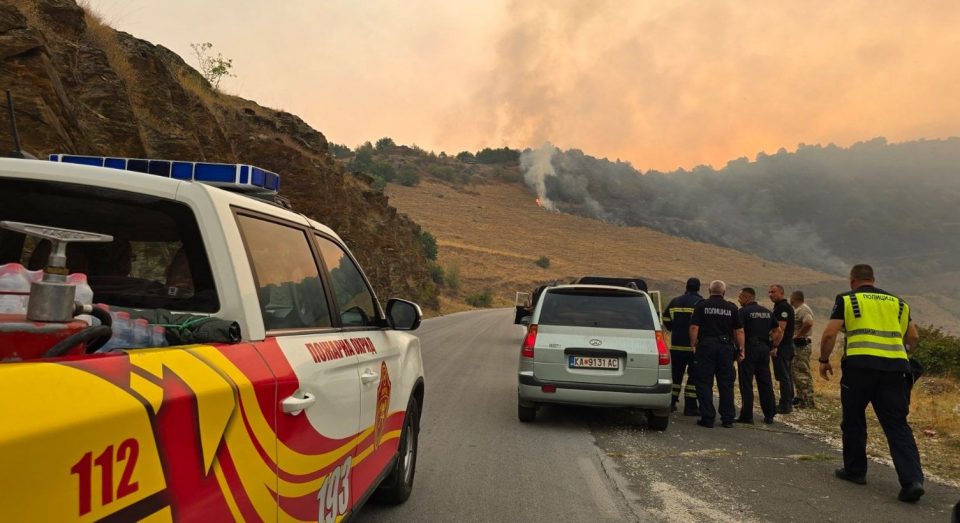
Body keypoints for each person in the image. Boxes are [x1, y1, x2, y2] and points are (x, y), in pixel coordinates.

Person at [819, 264, 924, 503]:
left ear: (852, 280)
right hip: (896, 370)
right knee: (897, 425)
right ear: (873, 279)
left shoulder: (847, 299)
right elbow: (914, 336)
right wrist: (903, 354)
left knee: (854, 418)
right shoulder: (899, 303)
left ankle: (855, 471)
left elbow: (828, 334)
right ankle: (912, 481)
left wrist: (824, 359)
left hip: (860, 368)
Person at [689, 280, 744, 428]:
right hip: (726, 348)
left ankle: (707, 418)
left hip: (706, 347)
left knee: (704, 382)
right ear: (724, 292)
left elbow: (694, 327)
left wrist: (693, 344)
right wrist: (741, 349)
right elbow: (739, 331)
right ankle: (727, 419)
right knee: (726, 383)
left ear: (709, 291)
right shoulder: (732, 308)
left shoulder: (701, 305)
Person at [735, 287, 782, 424]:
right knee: (765, 382)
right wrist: (774, 345)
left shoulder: (743, 312)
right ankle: (769, 414)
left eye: (740, 297)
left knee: (746, 383)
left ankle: (747, 416)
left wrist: (740, 349)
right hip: (764, 349)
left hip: (749, 348)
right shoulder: (767, 312)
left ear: (746, 297)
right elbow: (778, 330)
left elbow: (740, 331)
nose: (738, 299)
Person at [662, 277, 703, 415]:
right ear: (698, 288)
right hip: (694, 347)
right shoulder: (700, 303)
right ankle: (690, 406)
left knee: (675, 376)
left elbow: (666, 319)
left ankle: (671, 403)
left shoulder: (675, 301)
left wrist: (675, 328)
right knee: (694, 376)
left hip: (676, 346)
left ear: (686, 287)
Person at [768, 284, 796, 414]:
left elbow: (781, 329)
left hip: (783, 346)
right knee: (786, 375)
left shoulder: (783, 307)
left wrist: (775, 346)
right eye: (769, 292)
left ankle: (785, 404)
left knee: (783, 375)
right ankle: (788, 401)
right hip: (786, 346)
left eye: (773, 292)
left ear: (781, 293)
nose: (770, 294)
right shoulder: (779, 307)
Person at [790, 290, 816, 408]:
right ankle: (800, 397)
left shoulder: (803, 309)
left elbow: (808, 322)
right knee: (796, 372)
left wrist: (798, 335)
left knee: (802, 373)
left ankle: (807, 400)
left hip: (802, 345)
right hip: (797, 345)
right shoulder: (798, 310)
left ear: (794, 298)